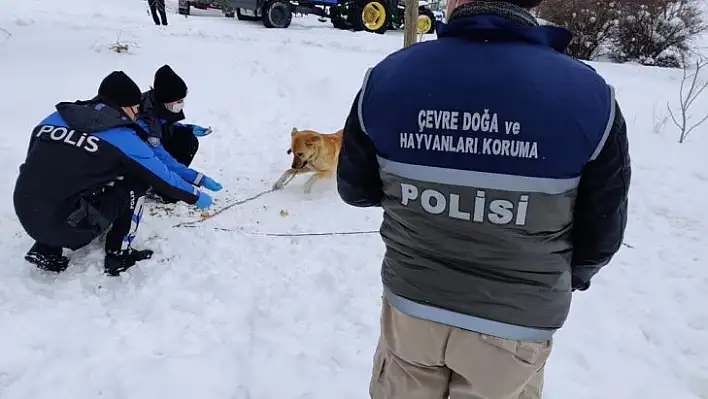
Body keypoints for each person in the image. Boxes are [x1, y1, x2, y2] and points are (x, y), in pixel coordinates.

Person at [336, 0, 631, 397]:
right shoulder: (591, 97)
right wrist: (560, 278)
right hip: (515, 327)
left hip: (413, 308)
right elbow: (601, 237)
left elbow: (355, 190)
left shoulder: (388, 77)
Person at [13, 71, 219, 276]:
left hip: (24, 210)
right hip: (67, 228)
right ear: (123, 107)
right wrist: (195, 195)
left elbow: (34, 163)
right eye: (136, 107)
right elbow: (162, 177)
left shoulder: (54, 118)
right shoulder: (122, 137)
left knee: (59, 176)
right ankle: (118, 254)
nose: (137, 112)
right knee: (137, 180)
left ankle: (45, 249)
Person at [138, 64, 217, 203]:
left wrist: (188, 128)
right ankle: (164, 189)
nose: (181, 104)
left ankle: (171, 183)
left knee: (187, 138)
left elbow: (165, 123)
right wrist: (197, 178)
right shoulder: (145, 120)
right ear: (166, 100)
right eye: (178, 101)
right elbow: (162, 158)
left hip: (155, 147)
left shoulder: (155, 102)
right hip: (141, 160)